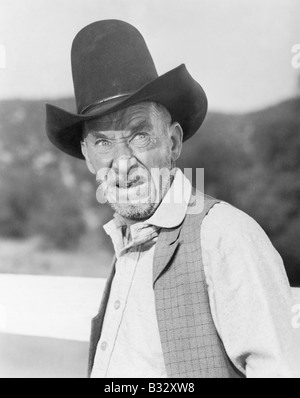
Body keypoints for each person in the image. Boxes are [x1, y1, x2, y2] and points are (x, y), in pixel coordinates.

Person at [46, 20, 298, 378]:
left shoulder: (226, 237)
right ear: (88, 157)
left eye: (139, 135)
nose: (122, 163)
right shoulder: (128, 240)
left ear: (173, 142)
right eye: (103, 142)